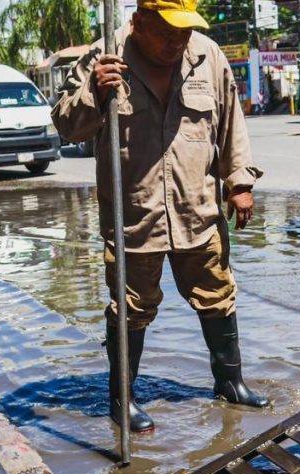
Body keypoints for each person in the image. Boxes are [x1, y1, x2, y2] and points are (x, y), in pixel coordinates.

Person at [52, 0, 270, 433]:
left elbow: (231, 122)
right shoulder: (105, 57)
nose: (178, 42)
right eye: (168, 32)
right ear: (138, 23)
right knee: (132, 307)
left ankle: (229, 382)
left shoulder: (208, 55)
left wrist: (240, 182)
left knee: (217, 293)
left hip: (198, 208)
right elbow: (67, 126)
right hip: (134, 212)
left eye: (184, 32)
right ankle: (123, 399)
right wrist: (94, 92)